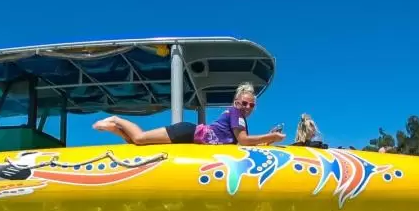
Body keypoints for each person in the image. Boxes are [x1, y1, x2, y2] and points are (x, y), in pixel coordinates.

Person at [91, 83, 286, 148]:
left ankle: (115, 130)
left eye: (251, 104)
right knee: (141, 139)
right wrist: (271, 137)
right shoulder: (236, 113)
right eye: (244, 103)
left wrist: (267, 140)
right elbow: (243, 141)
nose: (247, 107)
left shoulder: (239, 119)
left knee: (137, 144)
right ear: (236, 102)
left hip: (189, 134)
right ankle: (116, 119)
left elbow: (241, 142)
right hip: (187, 132)